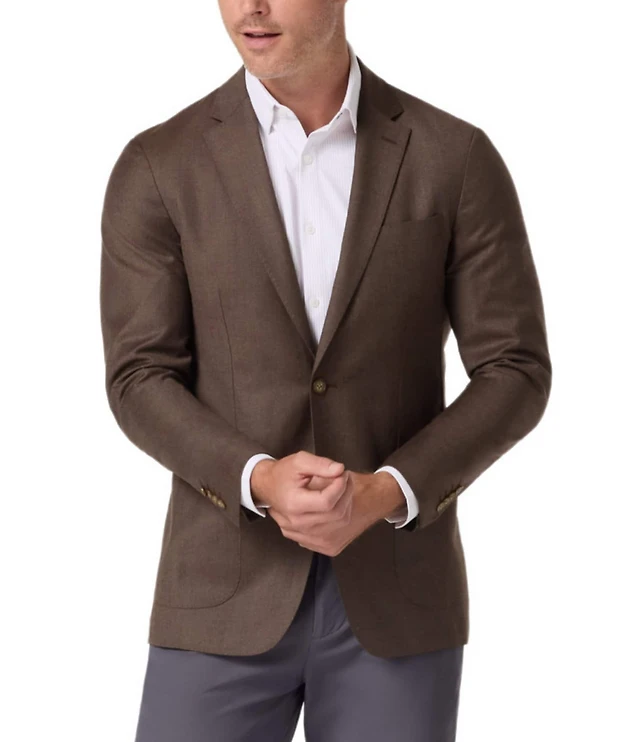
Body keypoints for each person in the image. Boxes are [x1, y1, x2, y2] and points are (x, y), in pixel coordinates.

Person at [99, 1, 552, 739]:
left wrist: (388, 491)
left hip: (397, 598)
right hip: (220, 592)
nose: (251, 7)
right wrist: (256, 478)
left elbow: (515, 368)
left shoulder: (453, 156)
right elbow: (140, 376)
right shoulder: (160, 165)